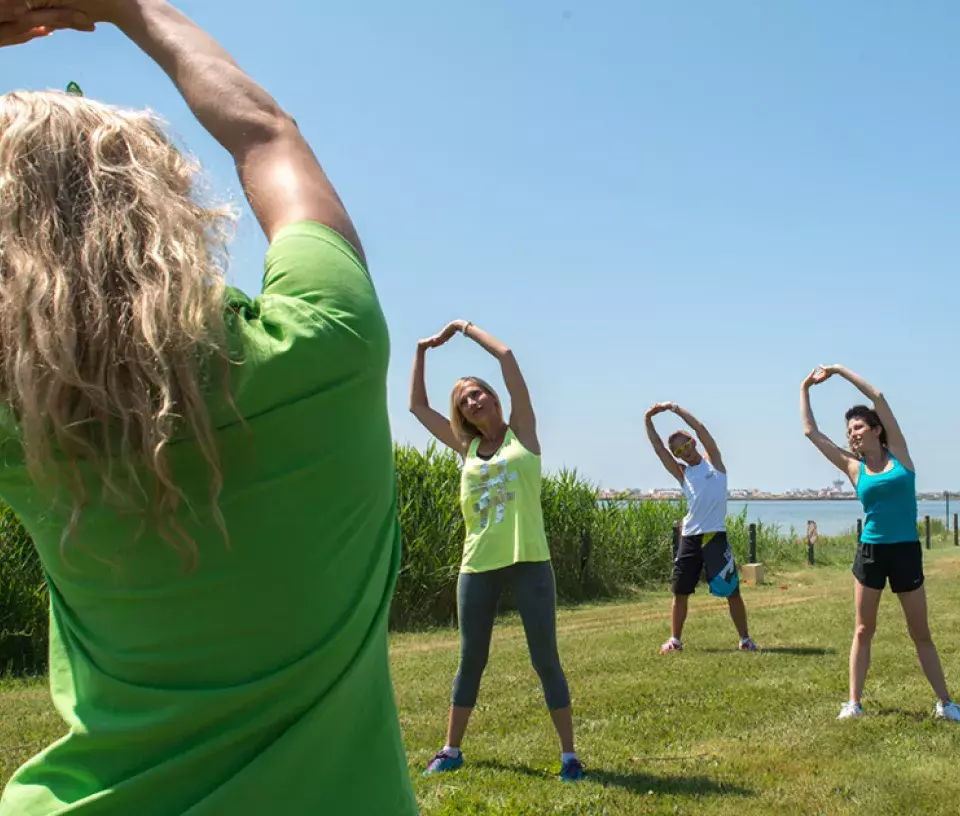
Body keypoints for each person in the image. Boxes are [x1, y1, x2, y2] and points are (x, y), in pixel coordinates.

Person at [0, 2, 417, 814]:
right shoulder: (328, 343)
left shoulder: (23, 429)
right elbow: (265, 133)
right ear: (168, 208)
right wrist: (132, 9)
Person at [409, 320, 583, 782]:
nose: (474, 399)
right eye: (465, 398)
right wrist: (423, 350)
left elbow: (506, 357)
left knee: (545, 658)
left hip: (530, 561)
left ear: (494, 397)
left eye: (479, 392)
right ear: (461, 413)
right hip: (478, 564)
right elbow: (416, 406)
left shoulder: (522, 432)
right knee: (471, 659)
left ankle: (569, 756)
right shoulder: (463, 446)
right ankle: (451, 750)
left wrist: (464, 329)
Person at [800, 365, 960, 723]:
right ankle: (854, 703)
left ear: (877, 430)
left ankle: (946, 703)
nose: (852, 435)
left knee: (920, 632)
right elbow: (811, 432)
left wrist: (837, 371)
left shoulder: (901, 456)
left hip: (905, 550)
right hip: (871, 552)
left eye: (858, 427)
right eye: (848, 431)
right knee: (863, 629)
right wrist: (805, 387)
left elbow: (877, 397)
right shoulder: (853, 468)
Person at [644, 402, 757, 654]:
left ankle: (745, 639)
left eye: (686, 445)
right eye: (678, 451)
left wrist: (675, 409)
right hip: (690, 538)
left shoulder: (714, 463)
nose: (684, 452)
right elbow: (658, 449)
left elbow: (702, 428)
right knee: (680, 591)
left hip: (715, 537)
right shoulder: (683, 474)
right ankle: (675, 640)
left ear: (693, 442)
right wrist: (648, 420)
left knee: (732, 592)